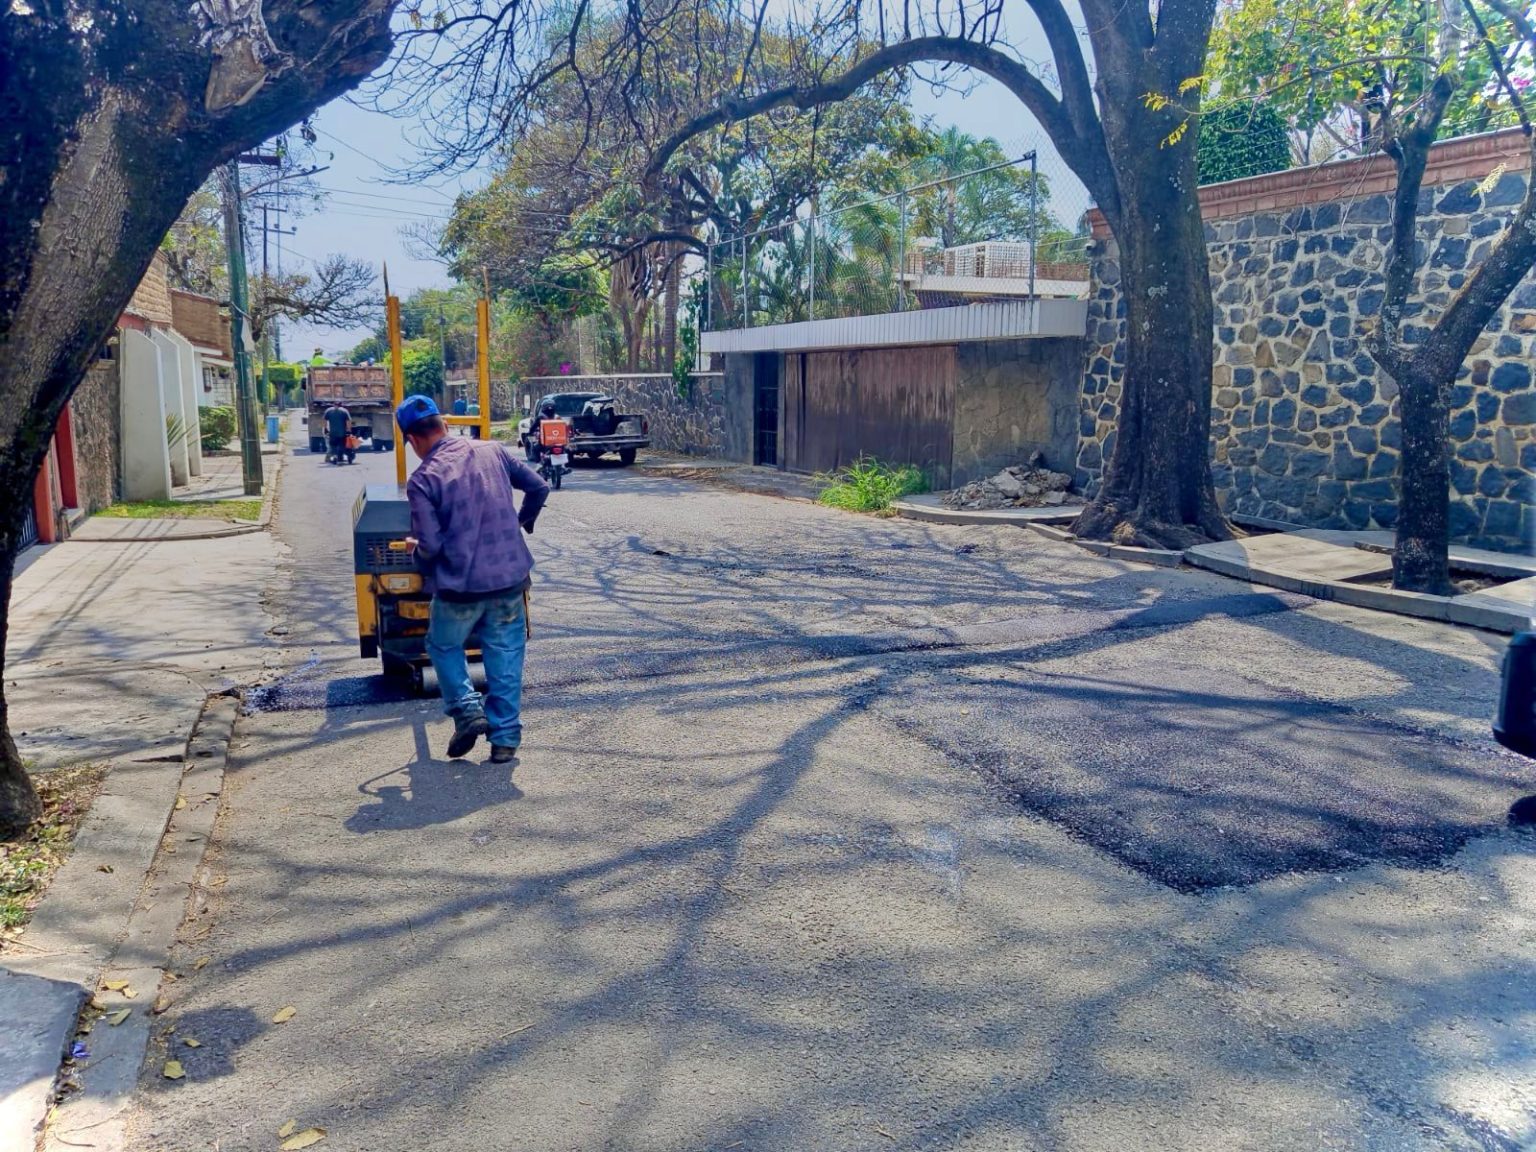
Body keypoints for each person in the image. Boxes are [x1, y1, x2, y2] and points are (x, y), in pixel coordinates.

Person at [396, 394, 549, 763]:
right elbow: (538, 487)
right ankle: (505, 740)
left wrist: (415, 551)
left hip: (460, 588)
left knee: (443, 645)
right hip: (509, 579)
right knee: (505, 654)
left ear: (412, 440)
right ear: (445, 425)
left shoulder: (423, 479)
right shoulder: (492, 450)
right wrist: (520, 524)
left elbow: (431, 546)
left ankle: (466, 710)